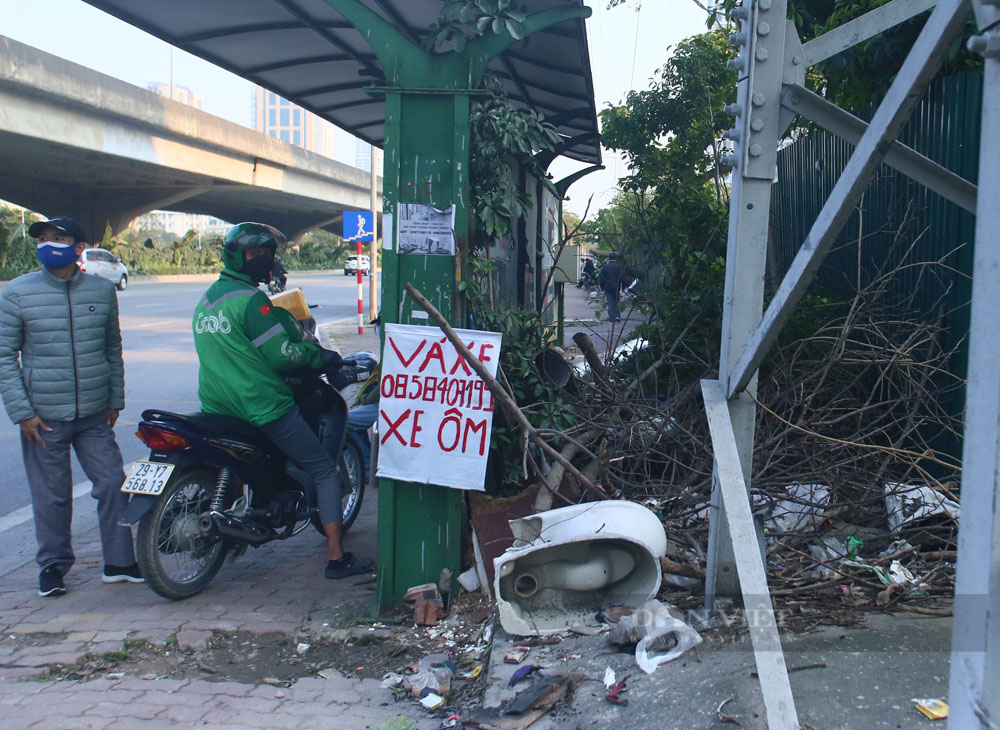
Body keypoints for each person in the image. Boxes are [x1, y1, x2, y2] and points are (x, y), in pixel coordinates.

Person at [192, 222, 372, 580]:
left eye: (267, 254)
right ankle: (337, 559)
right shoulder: (251, 301)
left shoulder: (209, 298)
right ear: (238, 257)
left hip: (217, 405)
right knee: (322, 469)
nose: (265, 260)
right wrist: (316, 354)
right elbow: (282, 354)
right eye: (257, 254)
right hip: (260, 405)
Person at [0, 216, 142, 597]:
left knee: (113, 483)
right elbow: (3, 356)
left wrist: (115, 398)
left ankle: (119, 562)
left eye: (58, 238)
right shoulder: (17, 292)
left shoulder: (100, 290)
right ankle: (53, 567)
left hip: (95, 413)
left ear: (79, 247)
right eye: (44, 238)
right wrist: (23, 413)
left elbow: (113, 348)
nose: (48, 244)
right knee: (52, 496)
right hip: (42, 418)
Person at [598, 252, 623, 323]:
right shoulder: (619, 267)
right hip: (617, 287)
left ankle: (612, 318)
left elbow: (602, 278)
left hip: (608, 287)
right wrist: (623, 287)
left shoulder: (605, 267)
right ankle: (617, 316)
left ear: (609, 258)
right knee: (616, 302)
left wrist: (602, 287)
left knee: (610, 303)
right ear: (616, 258)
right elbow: (622, 278)